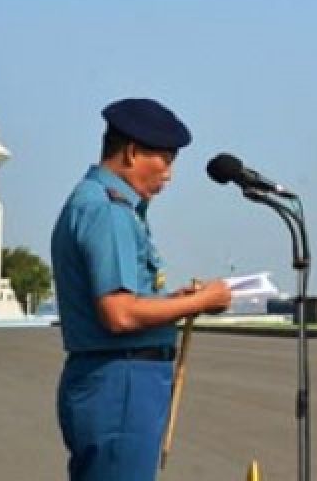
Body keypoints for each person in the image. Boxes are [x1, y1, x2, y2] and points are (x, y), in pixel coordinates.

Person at [52, 98, 231, 481]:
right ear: (132, 153)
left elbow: (127, 303)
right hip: (122, 380)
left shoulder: (99, 203)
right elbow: (119, 313)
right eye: (165, 160)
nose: (169, 174)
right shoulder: (108, 211)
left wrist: (176, 303)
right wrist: (201, 300)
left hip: (117, 378)